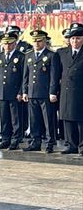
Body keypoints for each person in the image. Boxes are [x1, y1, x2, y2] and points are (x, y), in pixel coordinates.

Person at [22, 30, 59, 153]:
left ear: (44, 41)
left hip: (45, 93)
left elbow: (54, 76)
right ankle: (35, 141)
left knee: (48, 120)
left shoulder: (51, 55)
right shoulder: (29, 55)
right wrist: (24, 91)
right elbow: (25, 75)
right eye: (34, 41)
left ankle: (50, 143)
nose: (36, 43)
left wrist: (53, 92)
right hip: (32, 93)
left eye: (39, 40)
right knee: (33, 120)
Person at [0, 32, 26, 150]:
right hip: (1, 92)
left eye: (10, 44)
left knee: (15, 118)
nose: (7, 46)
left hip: (15, 92)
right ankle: (5, 139)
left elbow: (23, 76)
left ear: (14, 44)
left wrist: (21, 91)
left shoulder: (21, 56)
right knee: (4, 118)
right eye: (5, 44)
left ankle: (15, 139)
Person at [56, 22, 83, 155]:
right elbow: (56, 74)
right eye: (72, 38)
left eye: (78, 38)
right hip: (66, 91)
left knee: (80, 120)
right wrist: (53, 91)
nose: (75, 41)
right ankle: (71, 144)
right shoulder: (62, 53)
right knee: (67, 118)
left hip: (80, 91)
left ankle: (82, 145)